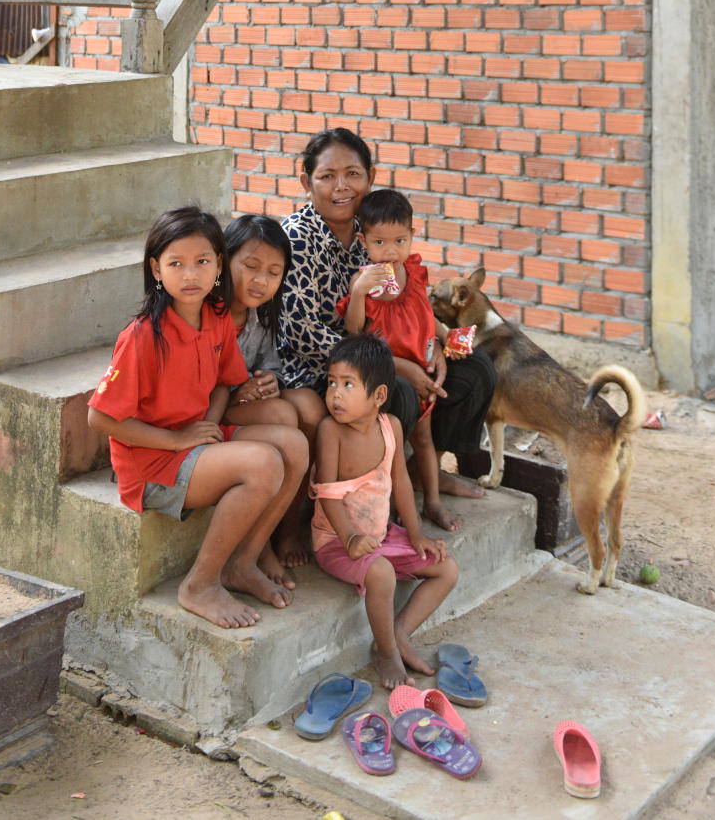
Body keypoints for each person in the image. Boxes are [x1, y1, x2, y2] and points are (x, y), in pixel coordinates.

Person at [88, 205, 308, 630]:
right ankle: (200, 585)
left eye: (202, 262)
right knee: (263, 462)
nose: (190, 274)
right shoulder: (142, 337)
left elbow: (225, 383)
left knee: (294, 444)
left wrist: (207, 428)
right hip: (152, 461)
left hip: (192, 438)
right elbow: (100, 418)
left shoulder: (217, 316)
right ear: (156, 269)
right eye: (177, 264)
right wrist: (178, 441)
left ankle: (242, 563)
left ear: (218, 265)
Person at [278, 125, 496, 499]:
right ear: (306, 181)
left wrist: (434, 348)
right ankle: (384, 489)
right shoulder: (297, 237)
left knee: (475, 370)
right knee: (397, 390)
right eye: (327, 176)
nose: (341, 186)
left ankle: (423, 467)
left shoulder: (379, 228)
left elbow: (411, 303)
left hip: (389, 348)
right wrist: (393, 363)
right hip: (320, 368)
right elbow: (303, 334)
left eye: (353, 174)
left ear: (371, 177)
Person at [312, 334, 459, 689]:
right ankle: (388, 654)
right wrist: (349, 538)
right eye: (332, 383)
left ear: (378, 396)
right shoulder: (330, 431)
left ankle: (398, 633)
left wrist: (414, 532)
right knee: (381, 574)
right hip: (336, 541)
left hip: (380, 536)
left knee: (447, 569)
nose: (335, 394)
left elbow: (402, 483)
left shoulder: (390, 427)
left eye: (348, 384)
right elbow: (328, 494)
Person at [338, 186, 456, 532]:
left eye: (399, 241)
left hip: (424, 366)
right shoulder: (365, 280)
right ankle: (389, 510)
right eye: (379, 243)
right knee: (390, 445)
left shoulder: (415, 272)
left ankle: (432, 501)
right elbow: (355, 330)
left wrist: (445, 337)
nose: (390, 252)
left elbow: (423, 312)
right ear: (363, 240)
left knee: (424, 439)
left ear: (412, 236)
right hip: (388, 376)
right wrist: (358, 291)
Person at [221, 213, 326, 566]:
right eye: (251, 267)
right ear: (224, 260)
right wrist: (241, 391)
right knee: (283, 414)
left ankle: (288, 523)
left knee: (308, 406)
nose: (260, 281)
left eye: (273, 273)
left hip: (246, 401)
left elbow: (270, 366)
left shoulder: (258, 316)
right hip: (212, 410)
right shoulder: (208, 316)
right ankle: (263, 541)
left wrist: (269, 381)